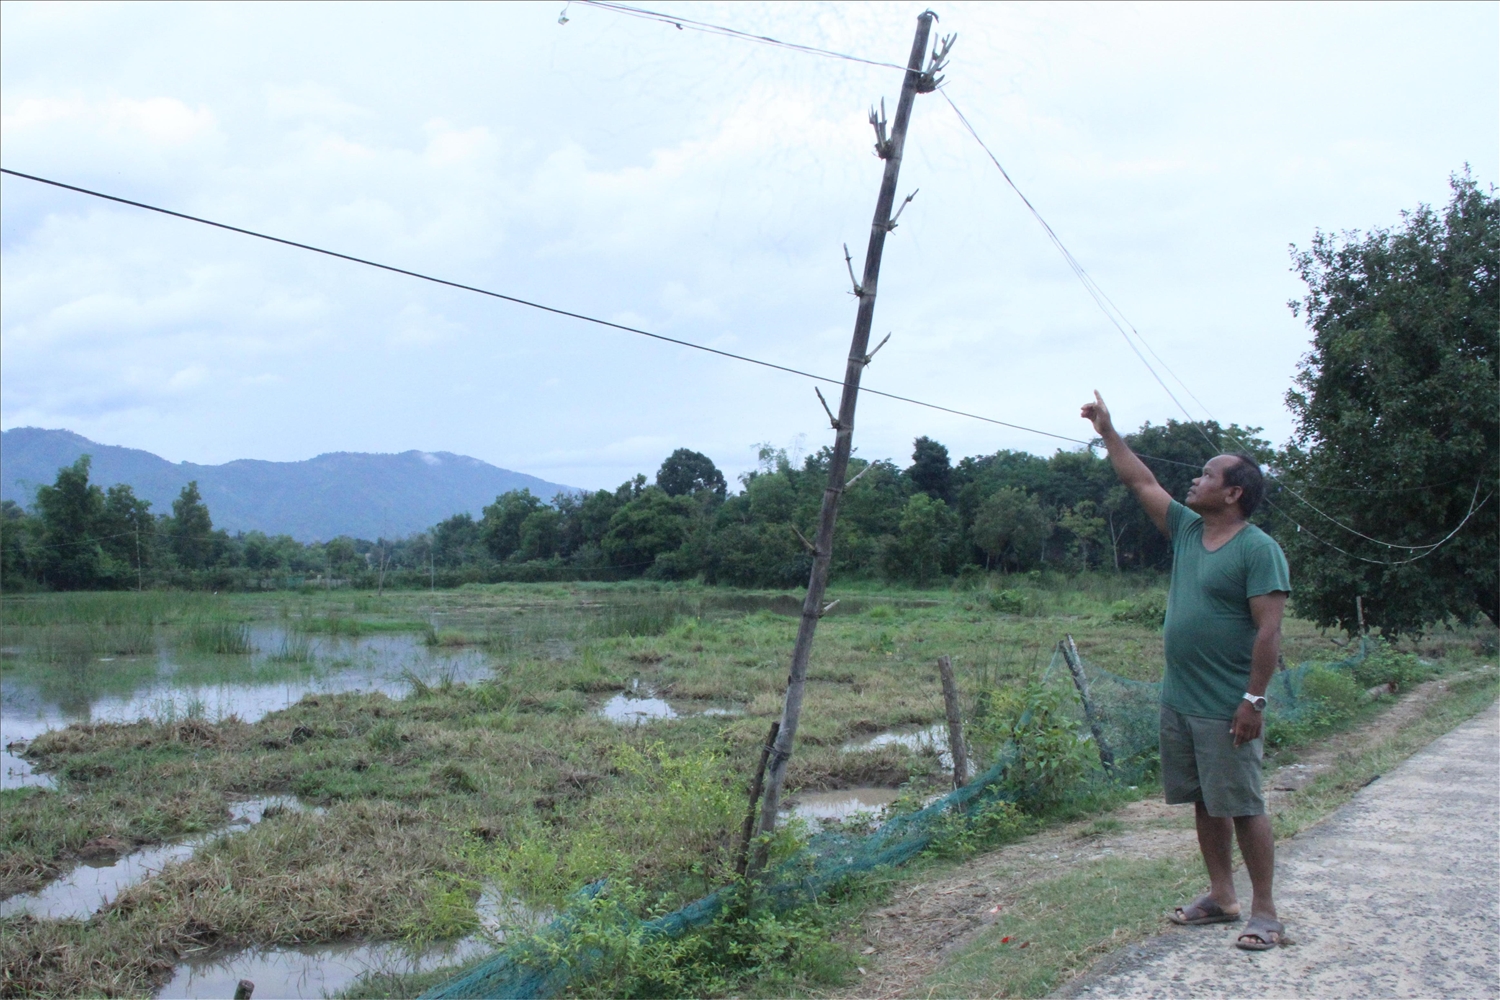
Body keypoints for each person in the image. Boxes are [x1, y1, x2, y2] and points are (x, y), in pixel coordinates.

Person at [1082, 391, 1290, 951]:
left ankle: (1265, 913)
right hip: (1180, 699)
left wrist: (1255, 700)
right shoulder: (1190, 531)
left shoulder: (1259, 550)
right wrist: (1108, 432)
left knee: (1243, 804)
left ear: (1234, 492)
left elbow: (1269, 632)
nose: (1194, 482)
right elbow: (1141, 482)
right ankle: (1222, 897)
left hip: (1229, 703)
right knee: (1204, 800)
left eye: (1206, 475)